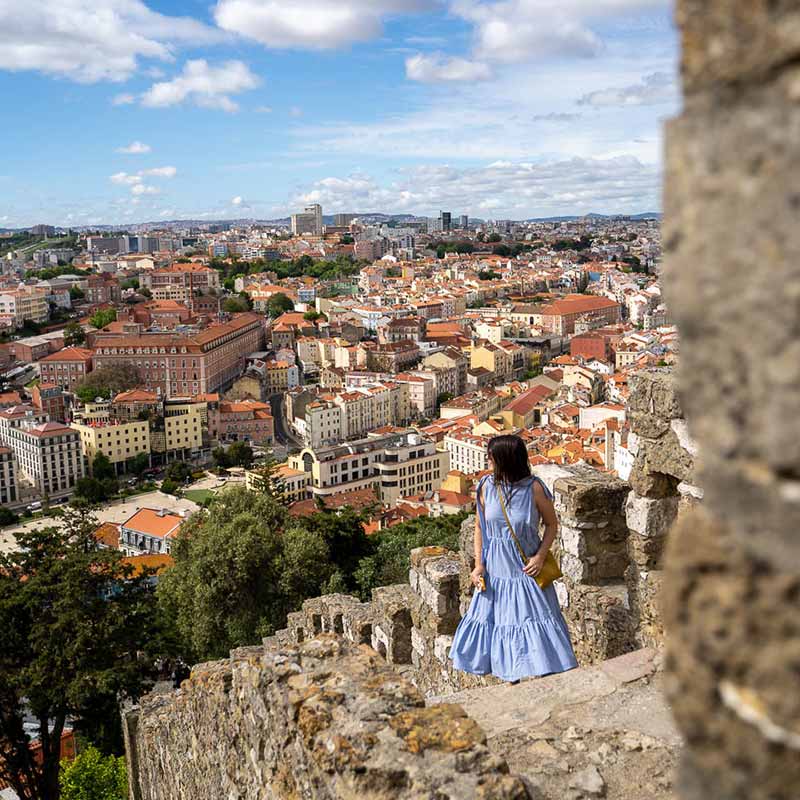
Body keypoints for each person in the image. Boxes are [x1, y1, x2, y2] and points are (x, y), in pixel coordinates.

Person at [450, 434, 577, 682]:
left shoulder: (535, 488)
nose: (487, 460)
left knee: (536, 624)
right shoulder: (486, 486)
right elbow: (479, 527)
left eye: (491, 457)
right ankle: (512, 679)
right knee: (500, 624)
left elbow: (552, 525)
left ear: (506, 459)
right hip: (497, 571)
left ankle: (546, 683)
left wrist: (540, 557)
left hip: (526, 569)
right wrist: (478, 565)